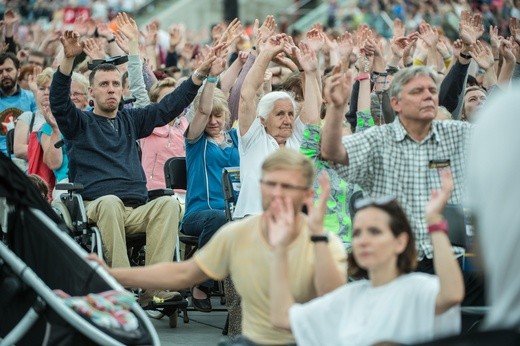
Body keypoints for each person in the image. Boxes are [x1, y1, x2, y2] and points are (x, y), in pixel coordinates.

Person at [90, 148, 347, 345]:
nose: (277, 193)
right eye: (270, 184)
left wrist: (316, 238)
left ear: (307, 195)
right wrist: (110, 273)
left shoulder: (325, 242)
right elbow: (183, 273)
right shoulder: (239, 233)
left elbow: (332, 300)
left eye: (288, 186)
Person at [49, 30, 212, 306]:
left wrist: (198, 75)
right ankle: (122, 285)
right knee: (110, 203)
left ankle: (155, 288)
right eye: (104, 84)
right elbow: (59, 102)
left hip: (135, 208)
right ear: (92, 92)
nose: (111, 88)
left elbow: (167, 108)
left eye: (115, 83)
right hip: (96, 206)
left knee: (168, 204)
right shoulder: (79, 124)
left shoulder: (130, 120)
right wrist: (68, 59)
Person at [321, 66, 482, 306]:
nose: (428, 96)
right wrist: (335, 108)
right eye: (417, 91)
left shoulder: (457, 133)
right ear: (395, 103)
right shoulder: (378, 139)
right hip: (400, 262)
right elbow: (332, 152)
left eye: (431, 90)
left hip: (452, 259)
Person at [270, 169, 463, 346]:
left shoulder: (418, 289)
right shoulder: (350, 297)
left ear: (400, 242)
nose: (363, 240)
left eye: (374, 231)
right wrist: (281, 247)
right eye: (357, 233)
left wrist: (434, 222)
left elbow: (452, 294)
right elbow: (282, 318)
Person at [233, 34, 321, 218]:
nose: (287, 120)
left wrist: (305, 70)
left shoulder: (297, 136)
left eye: (290, 114)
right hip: (253, 219)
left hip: (294, 220)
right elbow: (247, 94)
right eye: (280, 114)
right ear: (263, 120)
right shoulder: (254, 138)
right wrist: (265, 54)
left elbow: (314, 113)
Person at [182, 48, 239, 312]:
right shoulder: (196, 141)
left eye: (220, 115)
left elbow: (246, 96)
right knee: (219, 218)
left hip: (235, 214)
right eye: (210, 116)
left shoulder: (236, 139)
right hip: (199, 215)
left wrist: (243, 61)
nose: (214, 121)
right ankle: (199, 283)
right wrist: (212, 79)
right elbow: (203, 110)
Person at [0, 52, 37, 157]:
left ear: (18, 71)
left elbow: (38, 129)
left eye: (9, 70)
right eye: (0, 71)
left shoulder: (31, 98)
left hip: (25, 157)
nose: (4, 74)